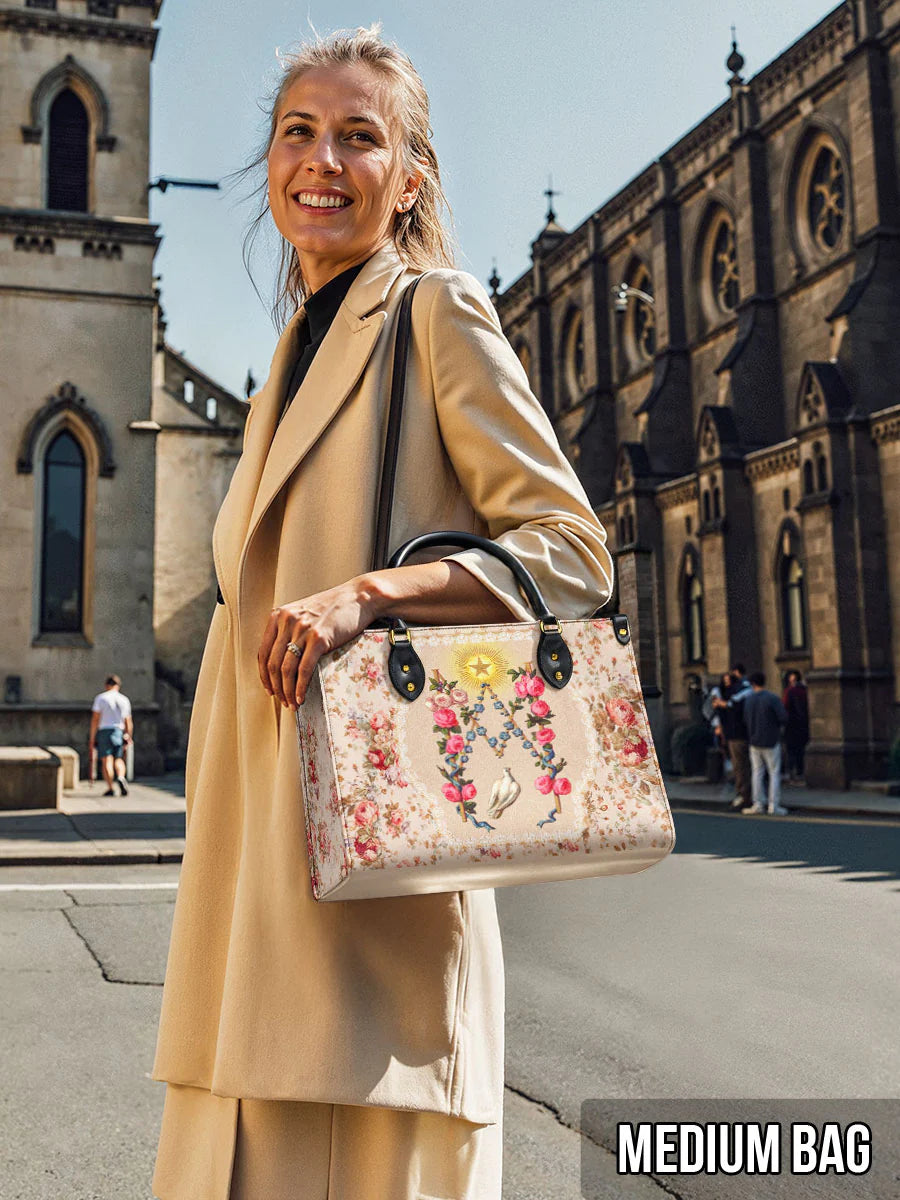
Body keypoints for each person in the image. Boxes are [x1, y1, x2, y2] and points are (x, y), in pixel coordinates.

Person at [149, 24, 613, 1200]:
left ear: (408, 179)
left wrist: (372, 593)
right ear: (268, 165)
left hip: (374, 919)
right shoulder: (283, 366)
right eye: (298, 131)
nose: (323, 158)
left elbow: (571, 553)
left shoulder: (436, 313)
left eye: (361, 136)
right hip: (247, 896)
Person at [742, 671, 789, 815]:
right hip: (771, 740)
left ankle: (758, 804)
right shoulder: (772, 698)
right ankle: (773, 805)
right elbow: (783, 717)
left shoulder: (748, 700)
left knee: (757, 772)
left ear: (752, 684)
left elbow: (745, 719)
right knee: (774, 773)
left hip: (754, 740)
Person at [713, 663, 753, 810]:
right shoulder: (735, 691)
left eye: (729, 678)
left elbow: (733, 705)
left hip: (738, 734)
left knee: (740, 766)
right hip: (735, 734)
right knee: (741, 766)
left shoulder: (740, 692)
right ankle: (744, 794)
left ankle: (744, 795)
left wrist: (723, 704)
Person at [88, 674, 132, 797]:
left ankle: (110, 787)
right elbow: (128, 721)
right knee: (118, 759)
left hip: (104, 730)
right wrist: (128, 735)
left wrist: (92, 737)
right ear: (118, 686)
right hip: (119, 731)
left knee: (107, 759)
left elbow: (95, 719)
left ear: (107, 685)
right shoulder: (124, 700)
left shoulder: (101, 698)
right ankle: (121, 777)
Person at [782, 669, 810, 784]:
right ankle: (800, 772)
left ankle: (792, 774)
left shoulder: (790, 691)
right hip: (803, 723)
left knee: (791, 750)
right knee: (800, 750)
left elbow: (785, 705)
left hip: (792, 724)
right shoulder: (805, 690)